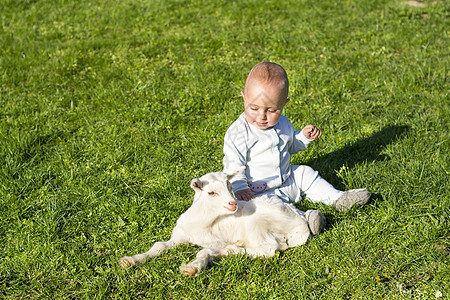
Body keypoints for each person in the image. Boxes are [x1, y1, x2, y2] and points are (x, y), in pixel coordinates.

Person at [223, 62, 371, 224]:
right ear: (244, 97)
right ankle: (304, 220)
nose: (262, 116)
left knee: (305, 173)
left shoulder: (283, 124)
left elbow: (290, 147)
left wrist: (302, 138)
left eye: (271, 110)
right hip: (256, 190)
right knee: (270, 207)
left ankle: (337, 198)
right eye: (254, 108)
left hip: (287, 179)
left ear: (283, 104)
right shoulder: (239, 132)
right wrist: (239, 186)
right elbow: (233, 163)